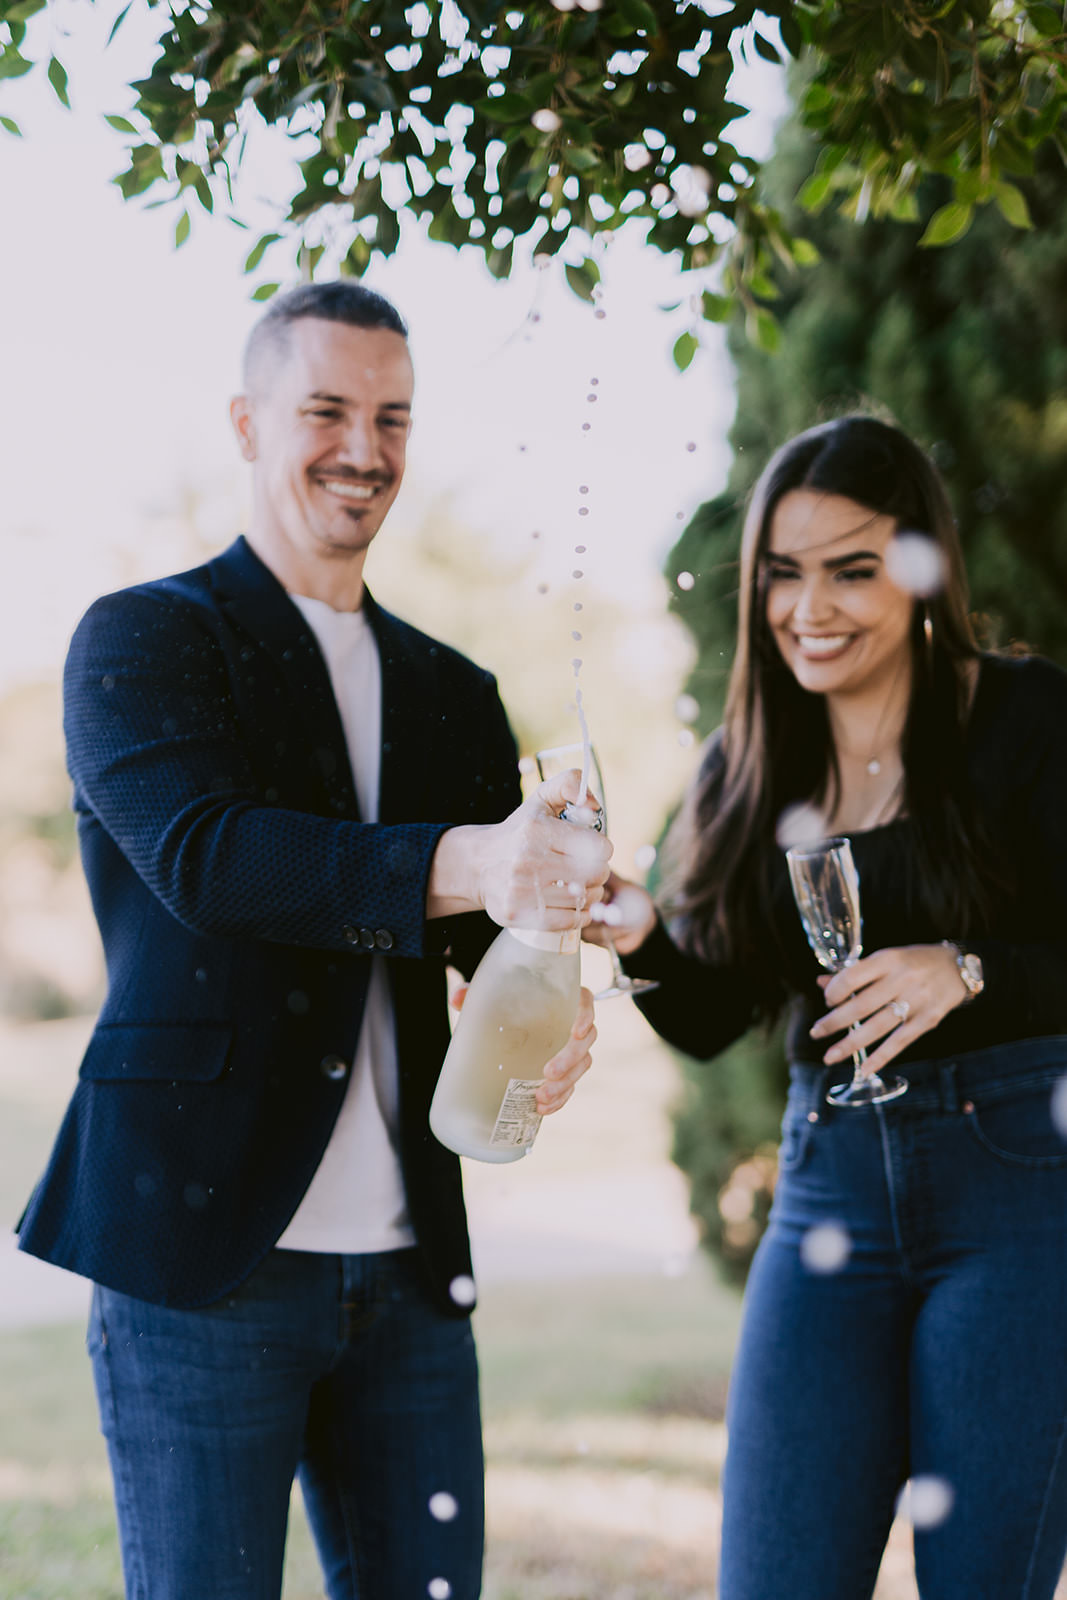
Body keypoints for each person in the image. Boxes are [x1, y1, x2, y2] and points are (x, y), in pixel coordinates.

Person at [17, 281, 612, 1600]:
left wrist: (555, 1002)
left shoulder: (455, 690)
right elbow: (210, 860)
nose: (365, 448)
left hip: (409, 1273)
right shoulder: (143, 641)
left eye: (393, 416)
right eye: (327, 409)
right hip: (201, 1266)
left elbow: (485, 947)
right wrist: (467, 857)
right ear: (245, 419)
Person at [592, 415, 1067, 1599]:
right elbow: (711, 1017)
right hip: (827, 1194)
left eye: (851, 568)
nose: (810, 607)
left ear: (919, 568)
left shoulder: (1024, 721)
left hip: (1017, 1194)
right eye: (782, 574)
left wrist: (969, 968)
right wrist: (641, 937)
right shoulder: (745, 767)